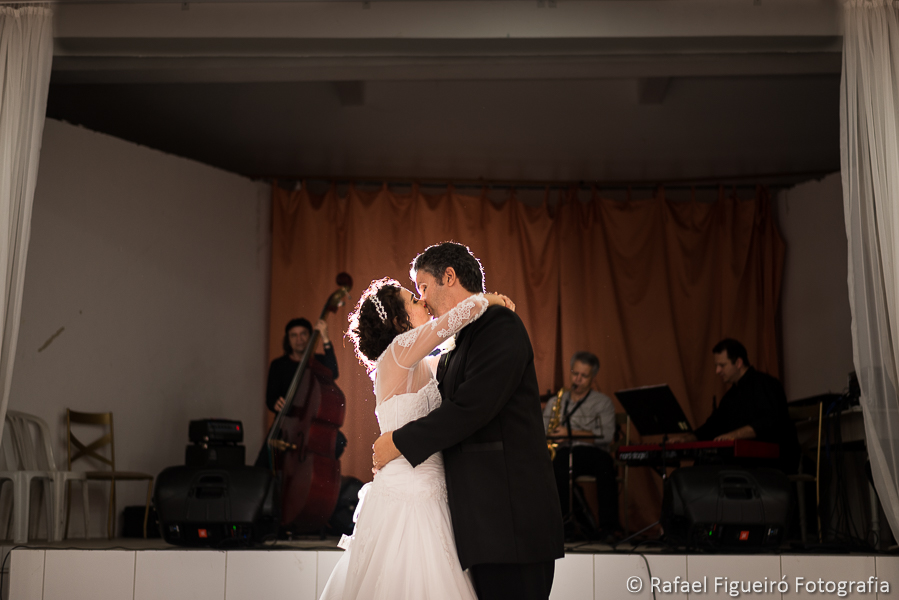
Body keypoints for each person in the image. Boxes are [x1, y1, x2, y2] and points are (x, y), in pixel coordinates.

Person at [373, 242, 564, 600]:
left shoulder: (499, 325)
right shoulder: (450, 347)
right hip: (477, 527)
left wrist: (400, 441)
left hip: (511, 522)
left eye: (424, 288)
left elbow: (470, 408)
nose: (423, 300)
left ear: (449, 276)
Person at [318, 276, 511, 600]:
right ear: (399, 320)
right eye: (413, 299)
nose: (423, 301)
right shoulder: (396, 352)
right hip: (408, 495)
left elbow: (452, 357)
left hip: (436, 489)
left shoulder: (421, 363)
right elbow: (450, 323)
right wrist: (491, 300)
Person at [673, 338, 800, 474]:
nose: (717, 371)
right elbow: (712, 427)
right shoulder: (730, 396)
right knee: (697, 467)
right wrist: (686, 439)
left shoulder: (766, 384)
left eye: (722, 365)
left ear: (738, 363)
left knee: (708, 468)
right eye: (717, 366)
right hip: (745, 461)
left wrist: (733, 435)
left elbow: (770, 422)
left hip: (772, 462)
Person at [543, 351, 619, 537]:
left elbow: (607, 435)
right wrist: (552, 435)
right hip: (562, 452)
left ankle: (608, 528)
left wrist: (570, 433)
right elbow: (542, 432)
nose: (578, 379)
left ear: (593, 377)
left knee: (606, 465)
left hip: (592, 452)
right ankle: (568, 525)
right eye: (575, 374)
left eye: (584, 376)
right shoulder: (556, 401)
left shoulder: (603, 402)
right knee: (555, 468)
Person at [265, 317, 338, 414]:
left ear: (310, 336)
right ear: (288, 339)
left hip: (314, 420)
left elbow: (333, 373)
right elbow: (270, 398)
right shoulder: (278, 365)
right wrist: (275, 403)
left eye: (303, 334)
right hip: (287, 423)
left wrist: (325, 338)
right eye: (294, 335)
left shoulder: (319, 361)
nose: (299, 339)